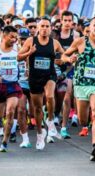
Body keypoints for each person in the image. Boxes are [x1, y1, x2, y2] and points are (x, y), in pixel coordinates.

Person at [61, 16, 95, 162]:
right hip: (81, 84)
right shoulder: (80, 41)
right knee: (84, 119)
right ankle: (87, 124)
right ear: (89, 27)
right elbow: (64, 55)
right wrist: (69, 59)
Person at [19, 17, 64, 148]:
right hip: (34, 77)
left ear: (51, 29)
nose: (44, 29)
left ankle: (50, 121)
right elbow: (18, 57)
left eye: (47, 26)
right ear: (38, 28)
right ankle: (40, 134)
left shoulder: (54, 43)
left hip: (49, 75)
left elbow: (64, 54)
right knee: (37, 109)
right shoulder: (30, 41)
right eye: (42, 26)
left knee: (50, 96)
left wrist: (68, 58)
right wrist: (29, 52)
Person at [0, 25, 23, 152]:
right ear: (4, 36)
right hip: (0, 85)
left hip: (13, 84)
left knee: (10, 111)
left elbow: (23, 60)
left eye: (16, 37)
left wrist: (26, 71)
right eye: (11, 37)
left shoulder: (18, 48)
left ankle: (5, 141)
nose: (14, 39)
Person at [54, 11, 79, 139]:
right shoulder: (55, 35)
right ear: (61, 21)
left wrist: (65, 71)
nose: (68, 23)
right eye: (66, 20)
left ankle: (63, 127)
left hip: (69, 69)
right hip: (53, 68)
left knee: (67, 97)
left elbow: (76, 56)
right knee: (53, 98)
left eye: (70, 21)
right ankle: (53, 116)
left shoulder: (75, 36)